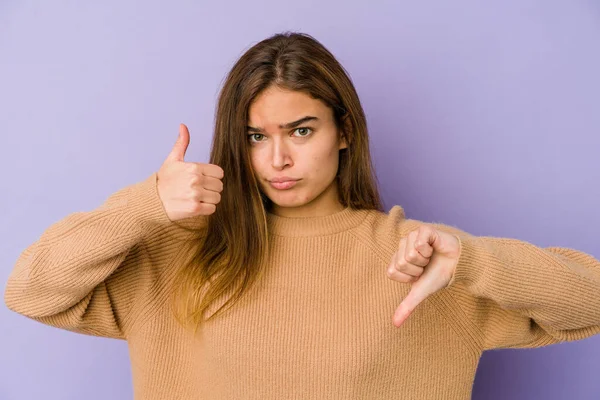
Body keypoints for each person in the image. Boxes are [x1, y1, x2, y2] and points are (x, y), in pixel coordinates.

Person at [5, 31, 600, 400]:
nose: (278, 158)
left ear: (344, 132)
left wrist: (472, 259)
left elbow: (592, 300)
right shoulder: (180, 254)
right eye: (254, 136)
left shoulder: (420, 260)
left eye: (301, 130)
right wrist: (144, 206)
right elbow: (32, 290)